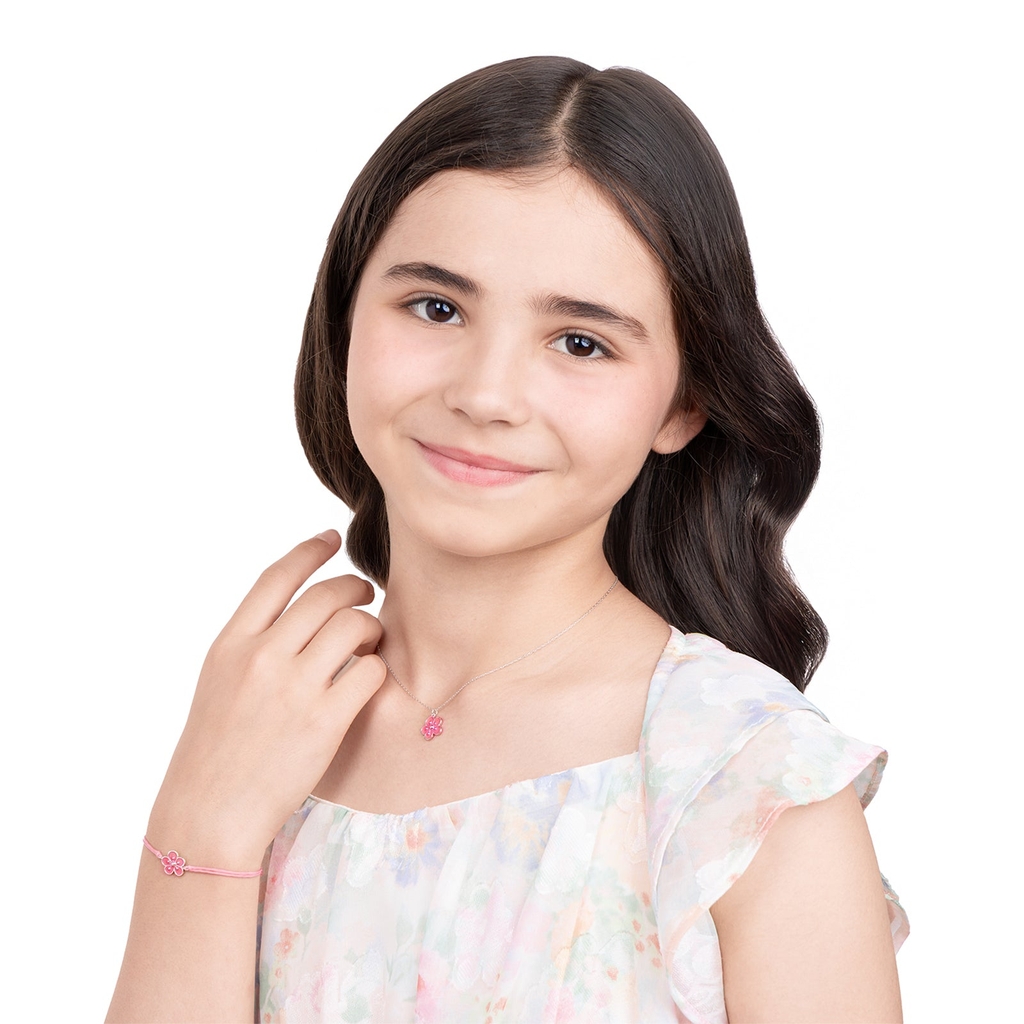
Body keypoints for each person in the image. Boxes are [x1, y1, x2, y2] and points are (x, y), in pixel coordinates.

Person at [107, 55, 908, 1023]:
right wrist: (201, 827)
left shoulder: (748, 784)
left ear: (684, 402)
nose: (485, 394)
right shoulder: (263, 730)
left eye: (581, 342)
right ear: (345, 315)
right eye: (436, 307)